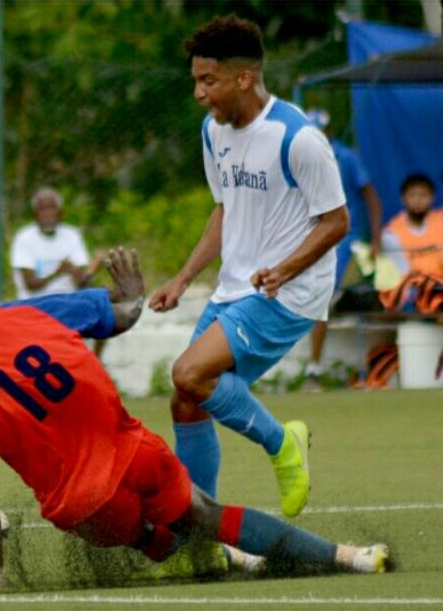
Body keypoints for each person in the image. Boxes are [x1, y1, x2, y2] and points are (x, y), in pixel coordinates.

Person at [0, 249, 389, 590]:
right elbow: (121, 316)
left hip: (83, 509)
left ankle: (192, 554)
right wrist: (133, 294)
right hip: (135, 455)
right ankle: (348, 558)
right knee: (208, 516)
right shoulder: (26, 312)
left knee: (147, 537)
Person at [148, 15, 349, 516]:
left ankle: (283, 445)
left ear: (243, 78)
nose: (198, 93)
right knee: (186, 399)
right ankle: (202, 525)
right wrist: (184, 276)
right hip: (236, 288)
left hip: (288, 293)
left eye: (207, 81)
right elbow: (225, 209)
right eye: (196, 80)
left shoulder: (296, 137)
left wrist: (284, 269)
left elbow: (337, 222)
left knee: (189, 373)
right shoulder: (213, 133)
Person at [302, 109, 385, 391]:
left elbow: (371, 196)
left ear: (327, 133)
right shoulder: (298, 158)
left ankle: (315, 369)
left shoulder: (345, 157)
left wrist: (375, 239)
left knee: (323, 300)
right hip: (313, 239)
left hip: (345, 242)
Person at [10, 186, 107, 357]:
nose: (47, 214)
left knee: (104, 305)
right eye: (42, 209)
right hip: (35, 306)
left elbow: (82, 282)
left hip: (68, 302)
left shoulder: (71, 235)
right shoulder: (24, 238)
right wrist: (59, 271)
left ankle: (96, 363)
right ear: (35, 214)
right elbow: (30, 284)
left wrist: (93, 267)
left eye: (51, 208)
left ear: (60, 213)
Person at [381, 173, 443, 278]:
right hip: (413, 290)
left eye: (423, 195)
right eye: (412, 195)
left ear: (432, 197)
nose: (418, 200)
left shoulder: (440, 220)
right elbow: (403, 274)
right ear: (403, 198)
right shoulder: (390, 233)